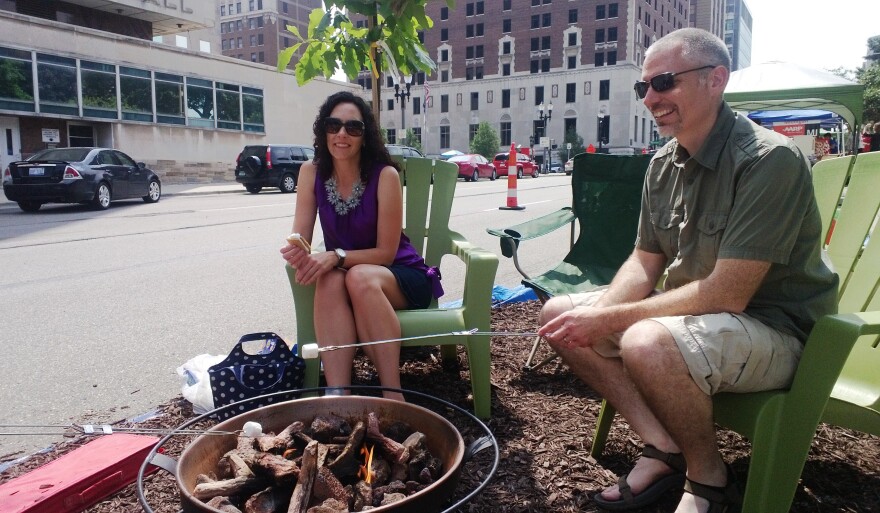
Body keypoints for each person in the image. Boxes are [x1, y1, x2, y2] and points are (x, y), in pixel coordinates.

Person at [537, 28, 838, 513]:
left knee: (643, 340)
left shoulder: (769, 160)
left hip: (777, 331)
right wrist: (595, 317)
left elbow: (729, 293)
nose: (651, 98)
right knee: (560, 311)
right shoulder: (663, 164)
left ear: (715, 79)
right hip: (696, 325)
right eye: (644, 88)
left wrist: (609, 321)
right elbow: (644, 261)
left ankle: (709, 479)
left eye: (665, 83)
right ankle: (664, 447)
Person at [280, 91, 443, 402]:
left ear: (365, 137)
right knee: (329, 279)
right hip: (347, 274)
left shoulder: (385, 176)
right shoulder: (311, 174)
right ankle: (338, 396)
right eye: (334, 125)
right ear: (323, 131)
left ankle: (392, 395)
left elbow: (385, 252)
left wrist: (336, 256)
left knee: (359, 277)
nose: (342, 134)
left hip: (399, 275)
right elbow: (300, 234)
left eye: (353, 128)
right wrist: (298, 251)